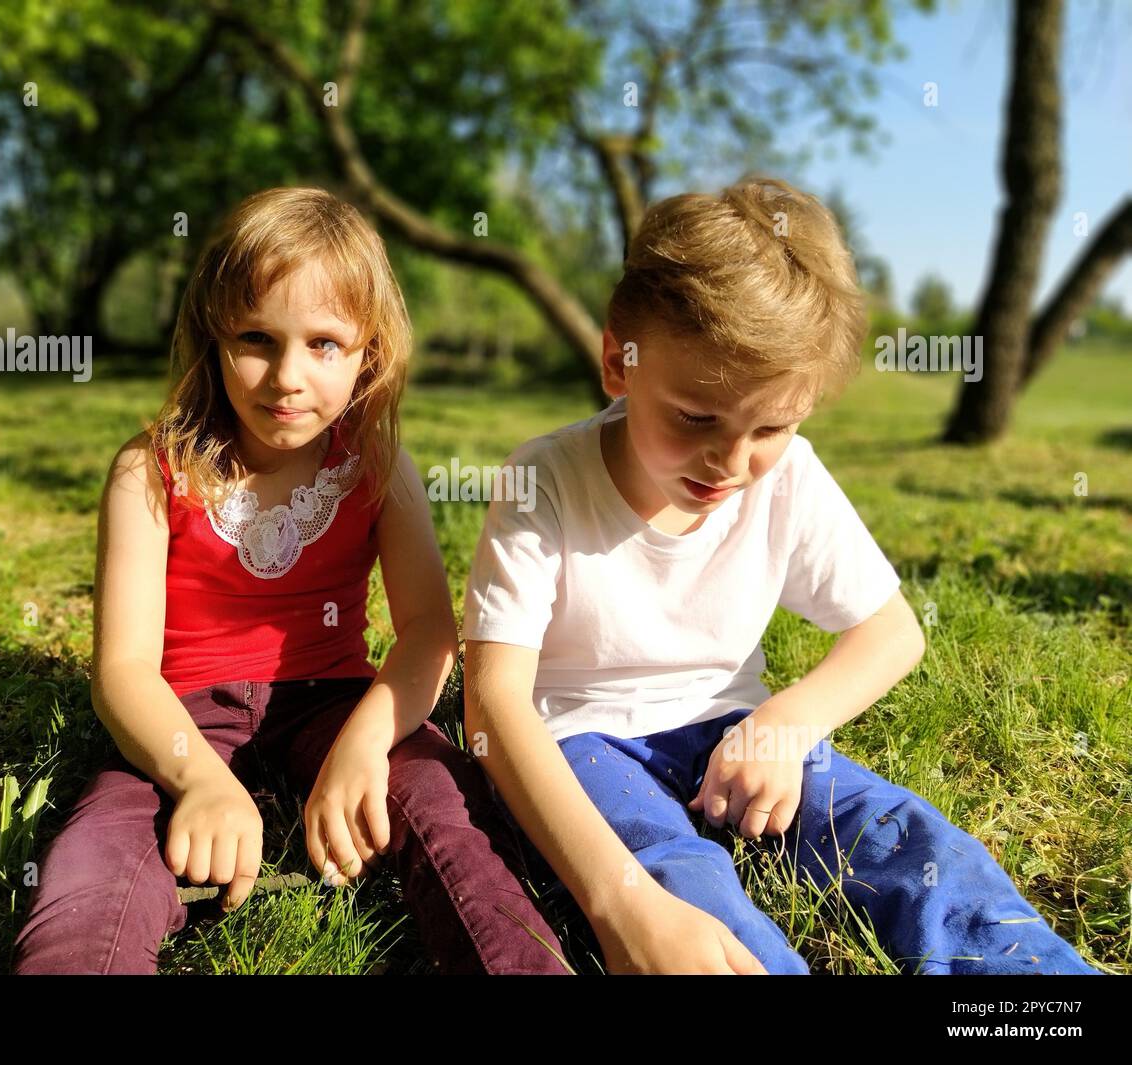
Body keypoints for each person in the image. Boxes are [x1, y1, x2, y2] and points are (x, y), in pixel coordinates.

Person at [462, 177, 1102, 975]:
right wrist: (623, 899)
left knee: (906, 839)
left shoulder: (785, 474)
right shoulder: (545, 479)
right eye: (695, 417)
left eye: (770, 424)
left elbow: (891, 630)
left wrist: (787, 723)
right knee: (681, 879)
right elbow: (493, 702)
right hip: (578, 742)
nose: (731, 462)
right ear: (617, 361)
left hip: (733, 727)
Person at [13, 186, 569, 975]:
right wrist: (196, 777)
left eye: (324, 344)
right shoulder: (151, 469)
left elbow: (428, 634)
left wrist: (365, 742)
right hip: (179, 713)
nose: (286, 376)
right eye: (256, 338)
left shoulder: (377, 464)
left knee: (450, 812)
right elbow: (123, 669)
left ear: (368, 352)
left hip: (336, 698)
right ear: (212, 333)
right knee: (95, 864)